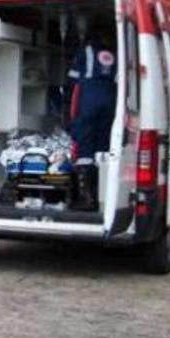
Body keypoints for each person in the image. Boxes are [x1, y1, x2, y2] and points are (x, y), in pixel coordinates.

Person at [67, 26, 118, 211]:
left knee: (85, 145)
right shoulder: (116, 52)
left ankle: (85, 197)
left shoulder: (85, 51)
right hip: (111, 98)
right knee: (103, 145)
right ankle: (102, 194)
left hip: (88, 96)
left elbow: (72, 79)